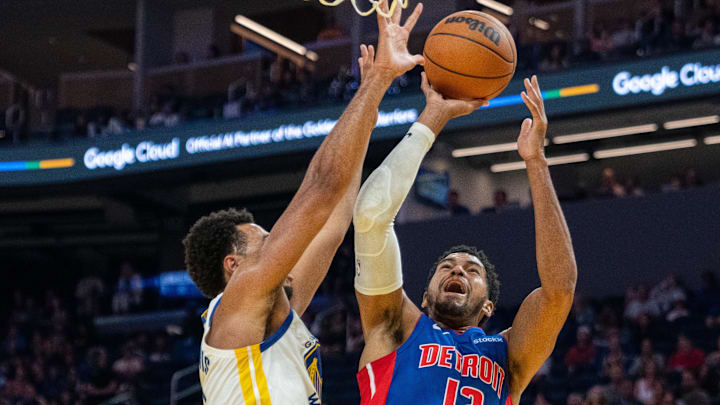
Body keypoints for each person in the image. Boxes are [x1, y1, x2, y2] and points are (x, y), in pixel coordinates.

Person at [182, 1, 426, 403]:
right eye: (265, 240)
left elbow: (333, 222)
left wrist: (368, 106)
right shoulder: (239, 299)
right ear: (234, 265)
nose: (281, 243)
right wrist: (377, 81)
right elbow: (322, 185)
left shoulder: (272, 308)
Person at [353, 75, 577, 404]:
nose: (457, 271)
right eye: (446, 267)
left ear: (488, 305)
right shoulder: (395, 328)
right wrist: (433, 116)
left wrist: (536, 161)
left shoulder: (507, 356)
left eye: (472, 271)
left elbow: (560, 290)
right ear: (425, 298)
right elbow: (372, 215)